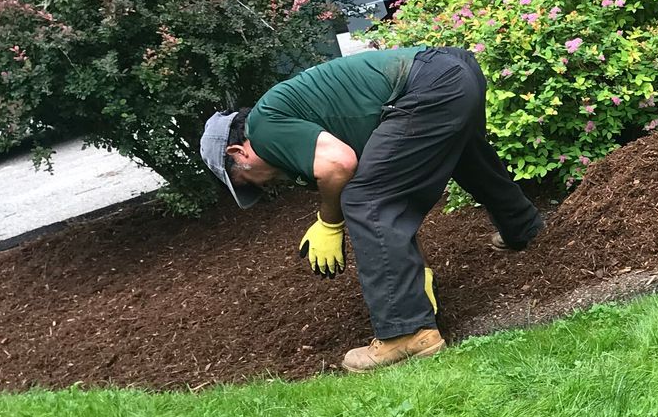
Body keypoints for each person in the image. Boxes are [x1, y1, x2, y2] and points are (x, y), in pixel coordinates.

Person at [198, 46, 543, 372]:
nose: (261, 186)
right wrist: (414, 272)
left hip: (430, 85)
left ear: (236, 153)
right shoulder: (290, 118)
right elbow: (390, 193)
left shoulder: (264, 128)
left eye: (245, 182)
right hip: (455, 70)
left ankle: (406, 332)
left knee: (364, 200)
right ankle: (522, 226)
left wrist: (329, 222)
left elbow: (339, 165)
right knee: (466, 157)